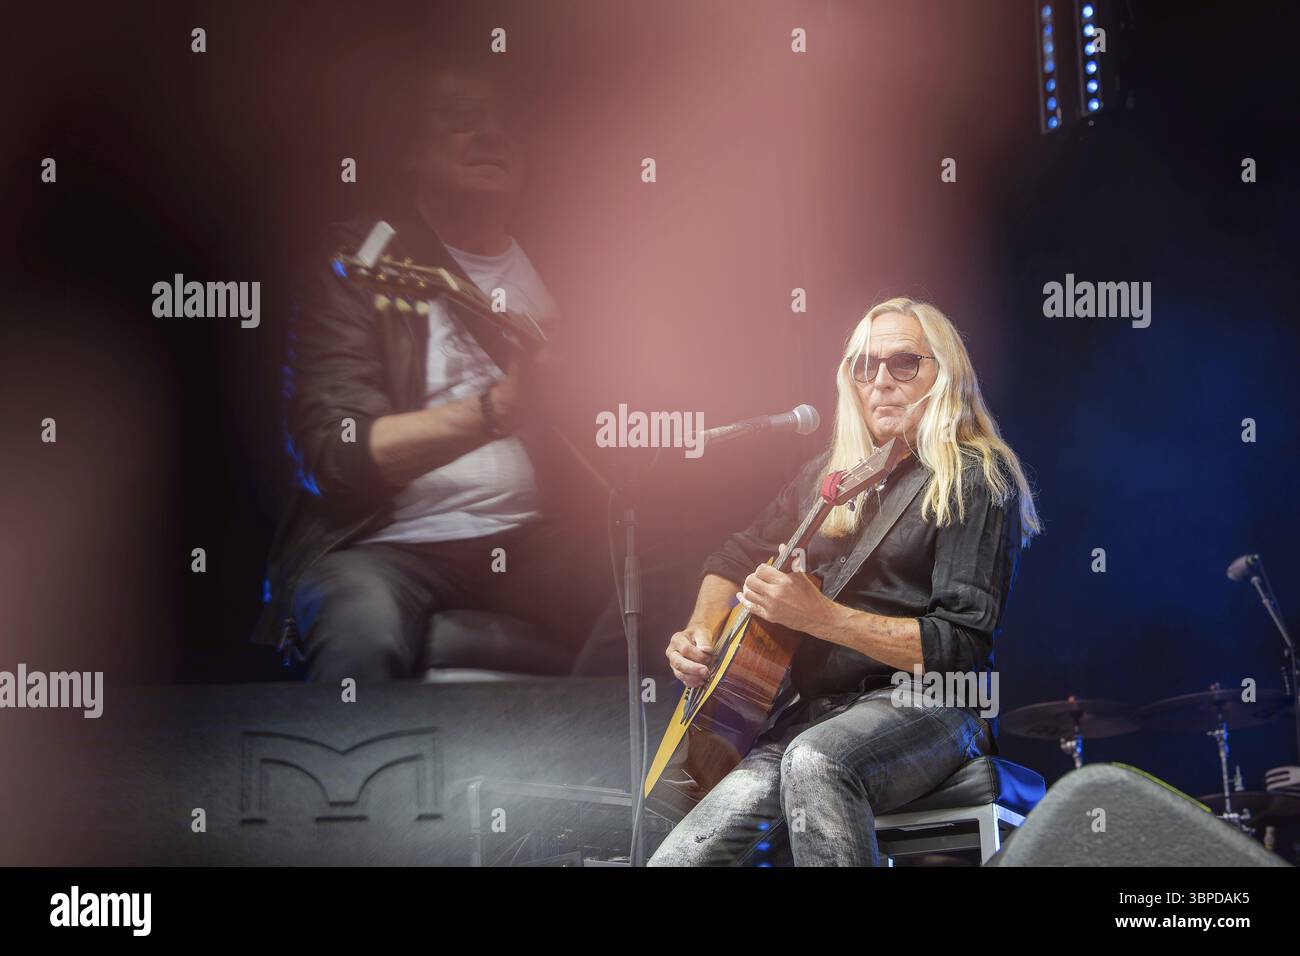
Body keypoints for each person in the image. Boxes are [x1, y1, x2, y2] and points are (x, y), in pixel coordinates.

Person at [648, 297, 1041, 866]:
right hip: (811, 718)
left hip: (932, 707)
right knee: (675, 861)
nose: (880, 380)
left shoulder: (975, 476)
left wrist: (818, 617)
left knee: (816, 761)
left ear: (945, 374)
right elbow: (732, 556)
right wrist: (700, 632)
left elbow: (961, 646)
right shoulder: (826, 478)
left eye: (903, 362)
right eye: (864, 365)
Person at [252, 60, 582, 681]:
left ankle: (642, 780)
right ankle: (345, 781)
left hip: (533, 541)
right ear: (411, 152)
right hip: (382, 548)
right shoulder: (363, 261)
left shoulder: (570, 268)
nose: (491, 136)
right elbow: (334, 451)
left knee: (666, 591)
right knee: (361, 626)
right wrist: (500, 409)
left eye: (506, 125)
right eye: (461, 121)